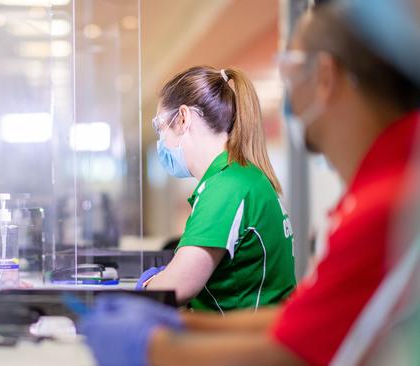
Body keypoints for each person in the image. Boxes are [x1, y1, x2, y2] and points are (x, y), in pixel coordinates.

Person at [79, 3, 420, 366]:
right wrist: (178, 325)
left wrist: (151, 347)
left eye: (291, 70)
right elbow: (301, 322)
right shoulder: (381, 188)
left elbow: (293, 351)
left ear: (323, 77)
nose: (289, 97)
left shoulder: (387, 206)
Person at [137, 65, 296, 311]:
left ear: (182, 118)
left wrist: (148, 285)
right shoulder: (242, 177)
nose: (161, 140)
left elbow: (175, 288)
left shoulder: (225, 188)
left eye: (160, 127)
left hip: (241, 344)